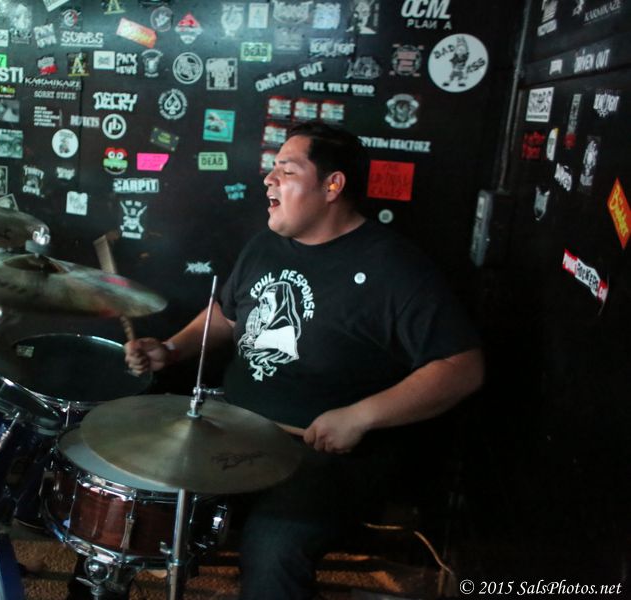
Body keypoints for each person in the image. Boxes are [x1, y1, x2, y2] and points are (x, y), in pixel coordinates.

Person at [123, 121, 484, 599]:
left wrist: (360, 416)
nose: (269, 180)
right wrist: (171, 349)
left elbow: (462, 367)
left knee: (274, 547)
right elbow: (227, 315)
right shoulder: (265, 244)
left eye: (287, 171)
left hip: (325, 457)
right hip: (234, 427)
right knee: (132, 490)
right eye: (272, 169)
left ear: (333, 185)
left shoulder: (393, 268)